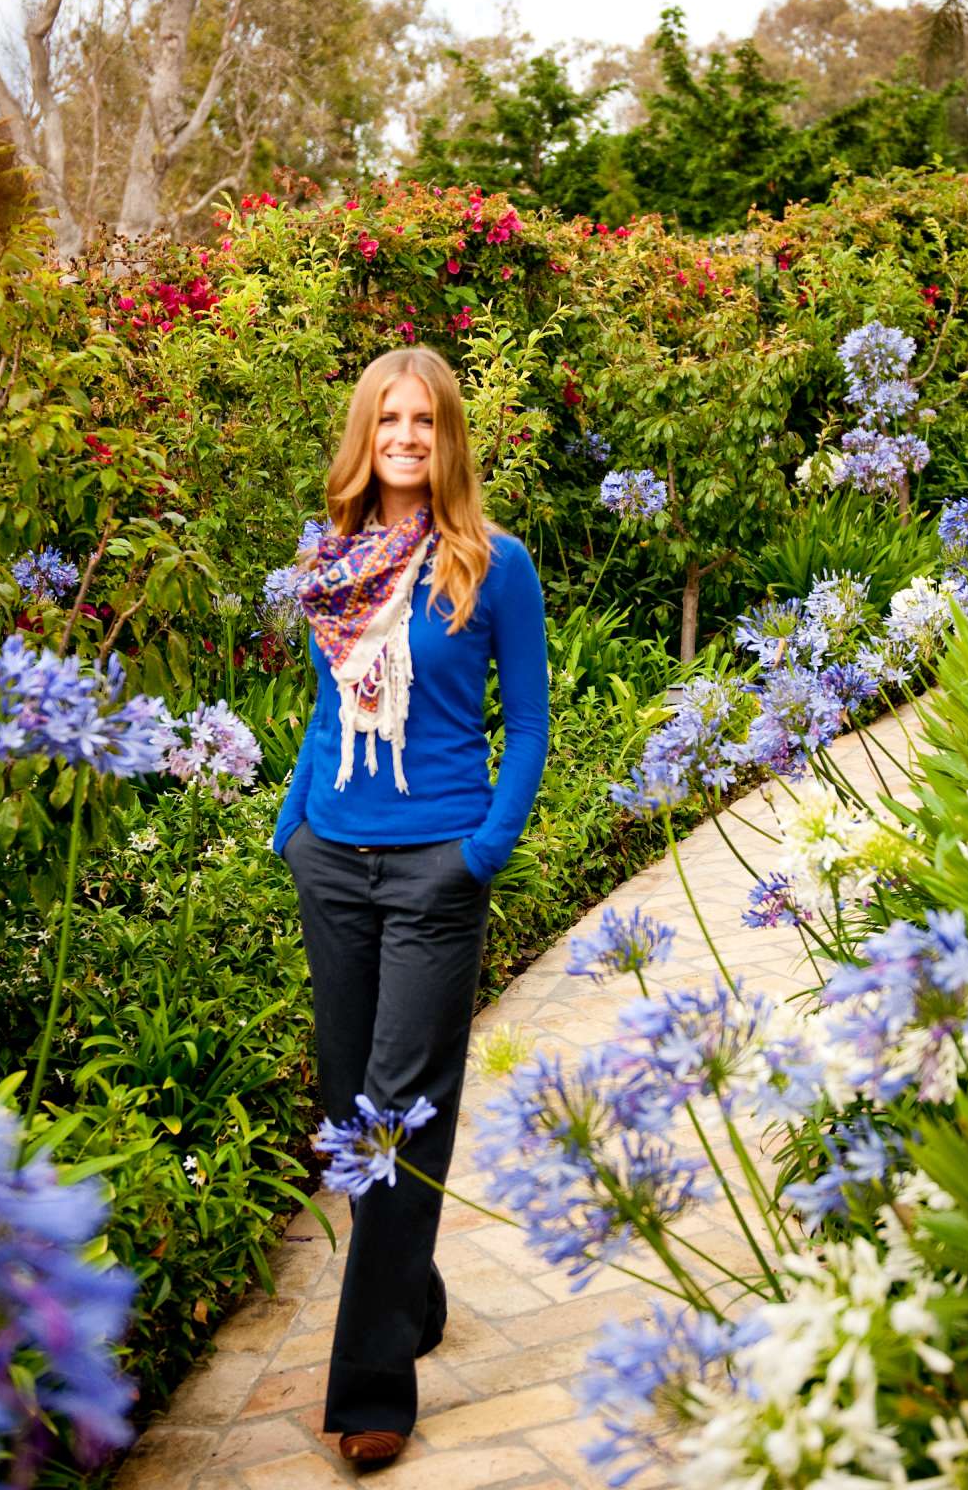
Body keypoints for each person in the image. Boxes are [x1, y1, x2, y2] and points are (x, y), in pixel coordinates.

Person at [272, 346, 550, 1464]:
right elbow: (326, 709)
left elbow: (526, 724)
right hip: (332, 862)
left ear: (448, 440)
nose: (404, 438)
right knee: (351, 1122)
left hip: (439, 864)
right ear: (364, 434)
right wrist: (291, 826)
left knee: (393, 1114)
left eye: (423, 421)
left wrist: (481, 851)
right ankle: (411, 1292)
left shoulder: (493, 564)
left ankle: (373, 1389)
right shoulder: (329, 560)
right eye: (387, 419)